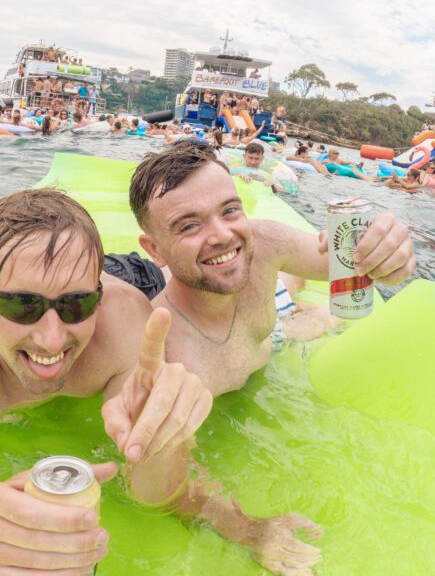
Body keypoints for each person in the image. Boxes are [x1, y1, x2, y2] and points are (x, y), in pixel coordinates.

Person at [0, 189, 213, 575]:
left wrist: (158, 440)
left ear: (98, 298)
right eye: (21, 305)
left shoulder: (123, 322)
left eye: (77, 305)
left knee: (170, 277)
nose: (52, 340)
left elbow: (161, 494)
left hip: (133, 277)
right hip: (82, 273)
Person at [126, 145, 416, 571]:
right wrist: (246, 528)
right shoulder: (166, 352)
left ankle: (293, 307)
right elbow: (167, 488)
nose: (222, 234)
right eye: (189, 225)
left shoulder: (261, 243)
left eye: (229, 210)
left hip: (270, 334)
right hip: (250, 337)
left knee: (293, 293)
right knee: (294, 306)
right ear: (154, 249)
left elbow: (347, 264)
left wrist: (389, 250)